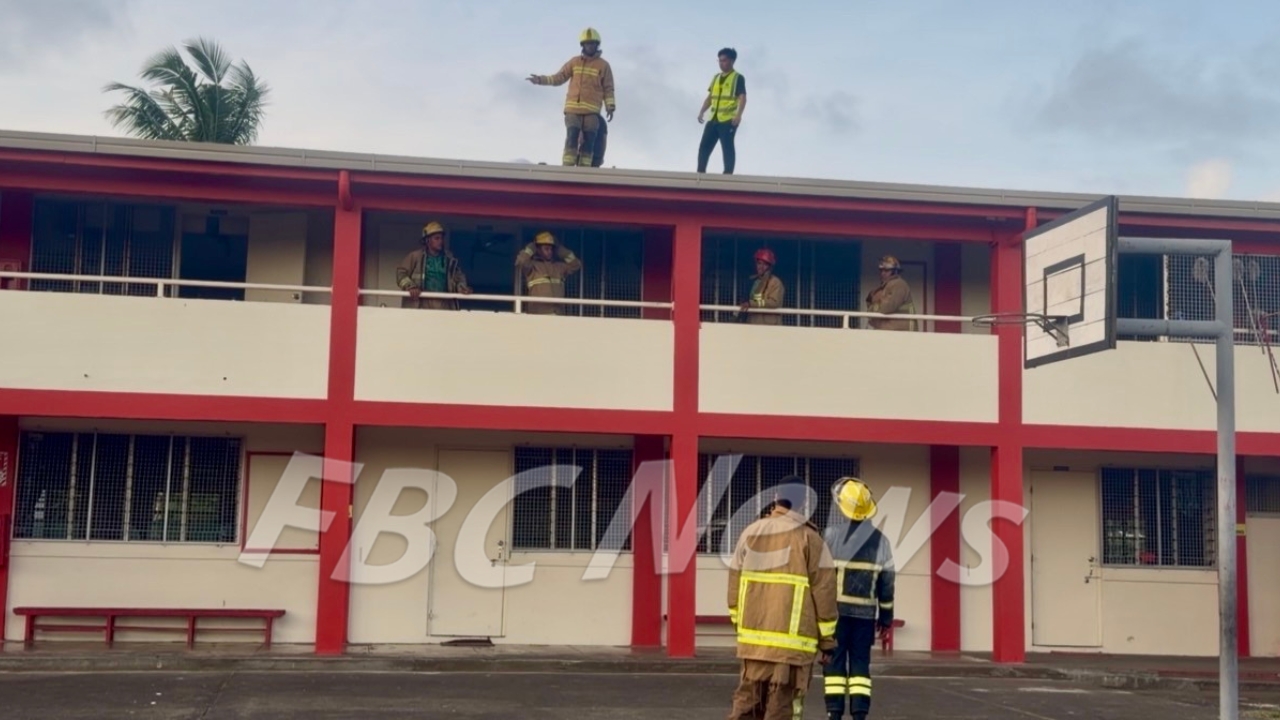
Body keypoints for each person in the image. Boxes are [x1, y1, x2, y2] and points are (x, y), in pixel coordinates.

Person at [726, 475, 838, 720]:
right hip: (793, 649)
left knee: (747, 706)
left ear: (776, 497)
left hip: (753, 645)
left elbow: (734, 586)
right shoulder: (810, 538)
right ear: (803, 503)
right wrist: (827, 642)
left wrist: (741, 626)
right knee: (781, 709)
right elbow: (825, 592)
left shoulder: (750, 532)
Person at [822, 477, 895, 720]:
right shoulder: (882, 541)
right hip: (865, 617)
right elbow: (887, 583)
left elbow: (821, 578)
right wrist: (886, 617)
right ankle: (860, 714)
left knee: (834, 662)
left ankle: (834, 713)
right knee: (861, 664)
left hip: (836, 616)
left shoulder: (830, 536)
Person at [528, 28, 617, 167]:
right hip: (572, 109)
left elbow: (608, 87)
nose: (590, 46)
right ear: (582, 45)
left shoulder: (603, 66)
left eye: (592, 43)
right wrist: (541, 80)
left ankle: (584, 169)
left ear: (597, 45)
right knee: (572, 136)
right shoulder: (574, 62)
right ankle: (567, 168)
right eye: (587, 44)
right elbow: (559, 77)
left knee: (589, 140)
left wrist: (610, 106)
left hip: (592, 111)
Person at [395, 221, 472, 310]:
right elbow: (401, 274)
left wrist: (462, 288)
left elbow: (459, 277)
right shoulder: (415, 256)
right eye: (437, 238)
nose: (441, 241)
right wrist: (410, 286)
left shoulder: (450, 259)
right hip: (420, 303)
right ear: (427, 240)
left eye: (442, 238)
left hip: (444, 303)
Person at [697, 48, 747, 174]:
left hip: (728, 120)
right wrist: (702, 111)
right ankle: (700, 173)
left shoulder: (737, 78)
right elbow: (710, 97)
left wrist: (739, 115)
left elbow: (742, 97)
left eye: (724, 60)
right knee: (704, 147)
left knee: (727, 148)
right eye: (719, 60)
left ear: (732, 61)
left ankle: (727, 175)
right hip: (713, 118)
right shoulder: (716, 78)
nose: (721, 63)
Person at [515, 231, 582, 315]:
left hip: (558, 313)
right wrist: (532, 247)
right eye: (546, 249)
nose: (550, 251)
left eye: (551, 249)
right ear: (538, 250)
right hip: (538, 314)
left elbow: (576, 265)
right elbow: (521, 262)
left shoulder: (559, 267)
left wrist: (559, 249)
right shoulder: (532, 266)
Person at [864, 256, 916, 331]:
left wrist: (872, 308)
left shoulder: (899, 284)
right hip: (890, 330)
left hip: (900, 331)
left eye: (886, 271)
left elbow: (886, 307)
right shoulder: (887, 286)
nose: (882, 273)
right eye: (881, 270)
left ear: (895, 271)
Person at [739, 248, 784, 325]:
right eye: (759, 263)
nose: (761, 267)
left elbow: (774, 303)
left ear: (770, 267)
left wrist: (751, 304)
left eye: (765, 264)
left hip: (769, 326)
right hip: (752, 323)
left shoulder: (775, 282)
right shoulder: (753, 280)